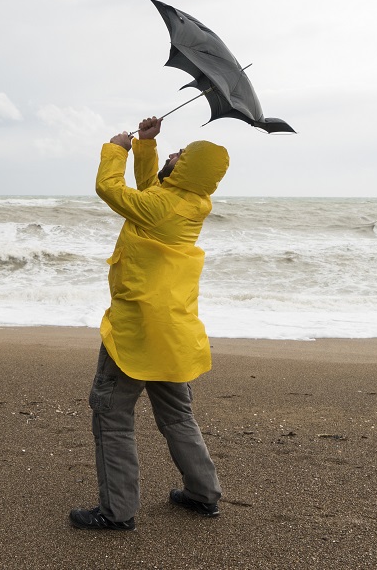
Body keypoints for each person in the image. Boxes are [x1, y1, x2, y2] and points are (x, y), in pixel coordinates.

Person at [69, 116, 230, 531]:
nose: (174, 153)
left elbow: (111, 189)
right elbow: (152, 193)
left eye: (180, 154)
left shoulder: (162, 207)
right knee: (177, 415)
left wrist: (116, 149)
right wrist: (146, 146)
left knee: (111, 411)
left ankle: (116, 511)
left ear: (188, 170)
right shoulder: (187, 202)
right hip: (173, 332)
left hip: (137, 329)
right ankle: (203, 494)